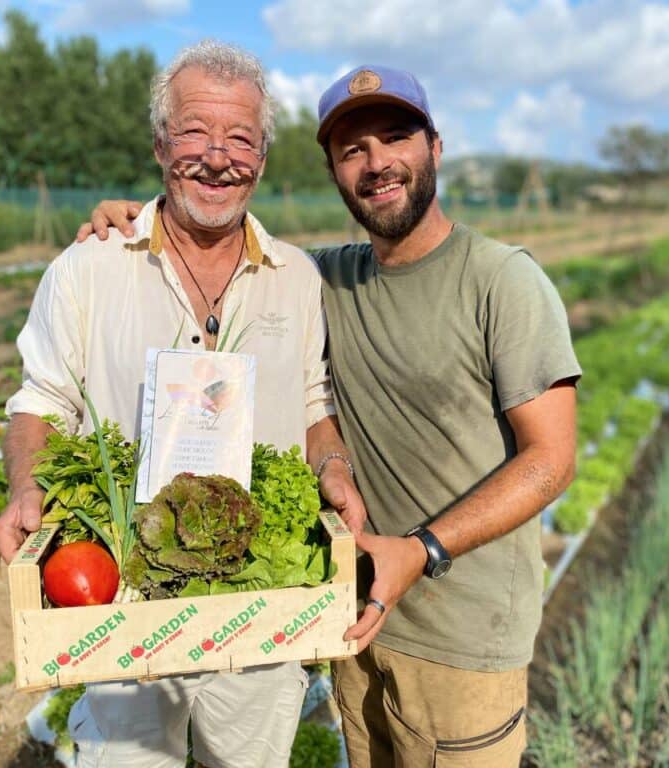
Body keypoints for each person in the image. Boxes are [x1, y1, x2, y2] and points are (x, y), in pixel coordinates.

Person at [83, 65, 581, 767]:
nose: (377, 163)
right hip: (352, 622)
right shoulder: (323, 279)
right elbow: (223, 247)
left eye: (396, 138)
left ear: (434, 148)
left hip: (463, 636)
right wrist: (143, 218)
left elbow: (551, 459)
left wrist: (423, 548)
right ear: (334, 173)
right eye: (352, 150)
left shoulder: (502, 280)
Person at [0, 40, 365, 768]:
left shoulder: (297, 279)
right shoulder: (89, 268)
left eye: (241, 139)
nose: (218, 157)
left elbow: (314, 401)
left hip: (262, 590)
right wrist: (25, 488)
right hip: (124, 594)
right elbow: (41, 398)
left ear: (262, 157)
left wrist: (334, 468)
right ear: (161, 142)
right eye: (195, 131)